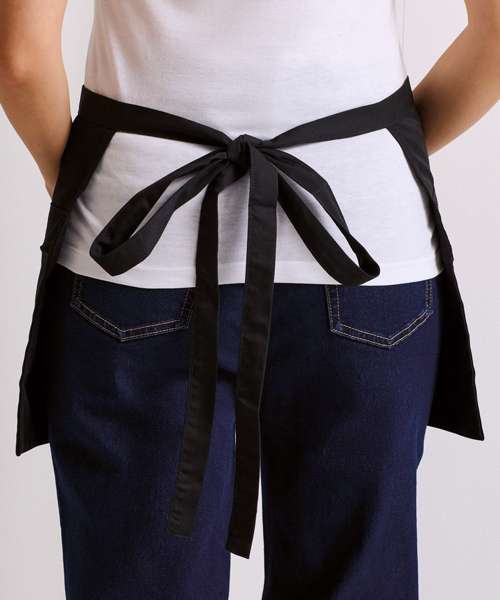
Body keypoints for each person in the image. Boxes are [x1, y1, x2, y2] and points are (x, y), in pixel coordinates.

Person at [0, 1, 497, 599]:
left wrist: (81, 182)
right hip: (363, 247)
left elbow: (20, 58)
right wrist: (373, 153)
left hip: (138, 245)